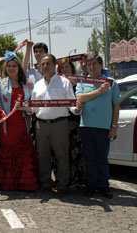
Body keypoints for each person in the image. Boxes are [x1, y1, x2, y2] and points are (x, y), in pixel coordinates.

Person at [19, 54, 82, 195]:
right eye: (43, 64)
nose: (45, 67)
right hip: (41, 125)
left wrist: (77, 109)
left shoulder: (64, 82)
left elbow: (72, 104)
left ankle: (62, 184)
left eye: (48, 64)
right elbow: (34, 108)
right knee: (43, 156)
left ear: (55, 65)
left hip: (60, 124)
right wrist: (25, 108)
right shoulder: (37, 85)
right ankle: (46, 183)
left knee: (62, 156)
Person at [0, 52, 39, 191]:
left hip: (22, 124)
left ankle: (23, 182)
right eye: (9, 66)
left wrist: (26, 108)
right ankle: (9, 182)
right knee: (8, 152)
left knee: (22, 153)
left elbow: (33, 104)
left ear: (19, 68)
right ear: (6, 68)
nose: (11, 68)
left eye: (14, 66)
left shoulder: (28, 84)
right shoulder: (0, 84)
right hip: (7, 126)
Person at [75, 54, 120, 199]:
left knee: (102, 158)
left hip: (104, 127)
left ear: (101, 65)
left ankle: (104, 186)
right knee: (89, 158)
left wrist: (114, 126)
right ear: (86, 67)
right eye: (89, 65)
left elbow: (116, 106)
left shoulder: (111, 82)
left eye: (95, 64)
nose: (92, 67)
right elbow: (80, 98)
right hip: (86, 125)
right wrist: (99, 91)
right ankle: (91, 185)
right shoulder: (83, 81)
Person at [57, 58, 84, 190]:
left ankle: (76, 181)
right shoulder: (57, 85)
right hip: (61, 123)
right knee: (62, 154)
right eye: (62, 68)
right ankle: (62, 181)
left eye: (67, 67)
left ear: (72, 69)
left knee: (75, 153)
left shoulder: (79, 84)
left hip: (75, 123)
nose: (65, 70)